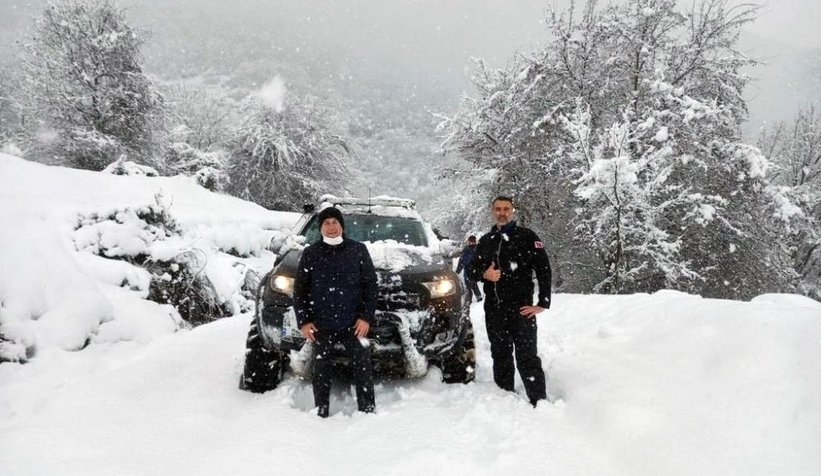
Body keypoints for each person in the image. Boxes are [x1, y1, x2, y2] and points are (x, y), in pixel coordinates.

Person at [293, 206, 379, 418]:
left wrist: (365, 318)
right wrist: (304, 321)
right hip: (321, 325)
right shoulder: (311, 254)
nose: (331, 227)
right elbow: (300, 290)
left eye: (335, 222)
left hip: (354, 324)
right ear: (321, 228)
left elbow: (370, 286)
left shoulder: (358, 250)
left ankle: (367, 410)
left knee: (363, 365)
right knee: (320, 369)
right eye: (326, 223)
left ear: (342, 226)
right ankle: (321, 411)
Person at [467, 196, 552, 407]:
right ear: (492, 211)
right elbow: (471, 270)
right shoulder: (486, 240)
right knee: (500, 355)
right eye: (498, 209)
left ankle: (539, 401)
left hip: (522, 309)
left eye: (506, 209)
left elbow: (543, 268)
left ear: (512, 211)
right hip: (494, 310)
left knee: (527, 357)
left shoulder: (527, 236)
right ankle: (505, 398)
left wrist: (543, 302)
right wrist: (485, 274)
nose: (502, 213)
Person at [455, 235, 483, 303]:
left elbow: (481, 260)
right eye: (471, 241)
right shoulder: (467, 250)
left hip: (473, 271)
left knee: (471, 286)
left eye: (473, 241)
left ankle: (472, 299)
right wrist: (458, 270)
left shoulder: (477, 249)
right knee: (471, 285)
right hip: (469, 271)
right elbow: (461, 261)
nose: (472, 243)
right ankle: (474, 298)